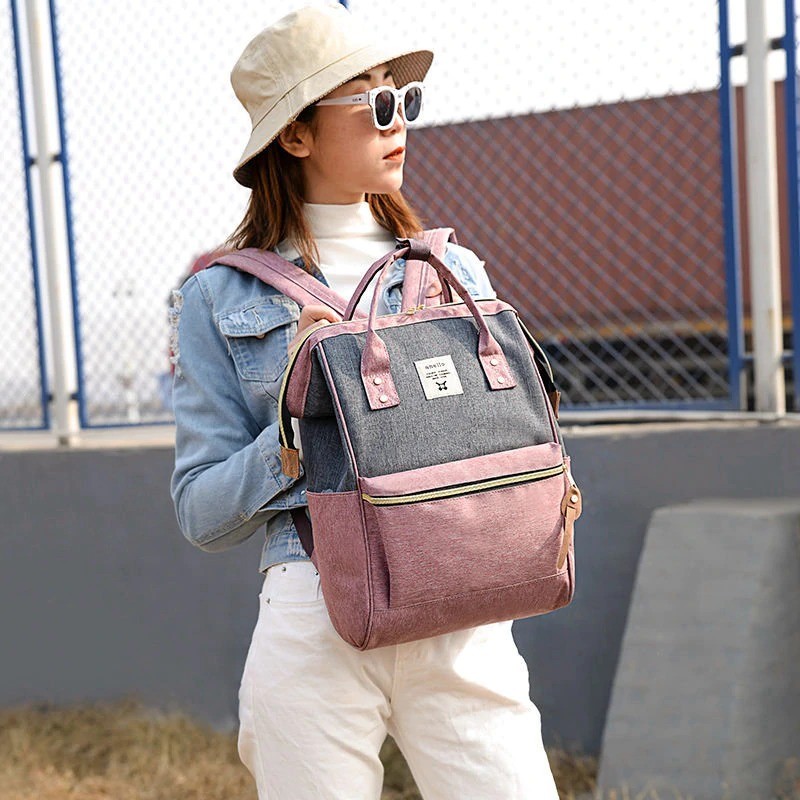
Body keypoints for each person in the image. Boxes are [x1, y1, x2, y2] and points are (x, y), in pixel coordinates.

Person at [169, 4, 560, 798]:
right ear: (297, 136)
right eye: (376, 103)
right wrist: (294, 425)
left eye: (405, 99)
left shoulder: (453, 272)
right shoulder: (218, 296)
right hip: (313, 607)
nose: (400, 121)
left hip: (463, 607)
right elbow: (200, 512)